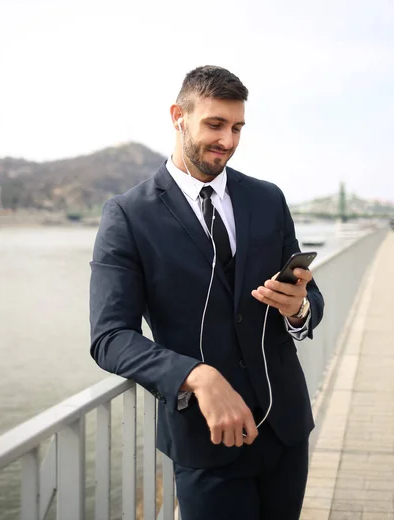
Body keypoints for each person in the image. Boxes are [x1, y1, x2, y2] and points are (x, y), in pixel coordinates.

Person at [89, 65, 324, 520]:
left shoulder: (268, 198)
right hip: (205, 441)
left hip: (285, 431)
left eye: (237, 128)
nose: (229, 141)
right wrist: (195, 375)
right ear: (179, 115)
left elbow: (309, 296)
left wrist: (299, 310)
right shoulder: (127, 216)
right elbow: (109, 336)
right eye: (215, 124)